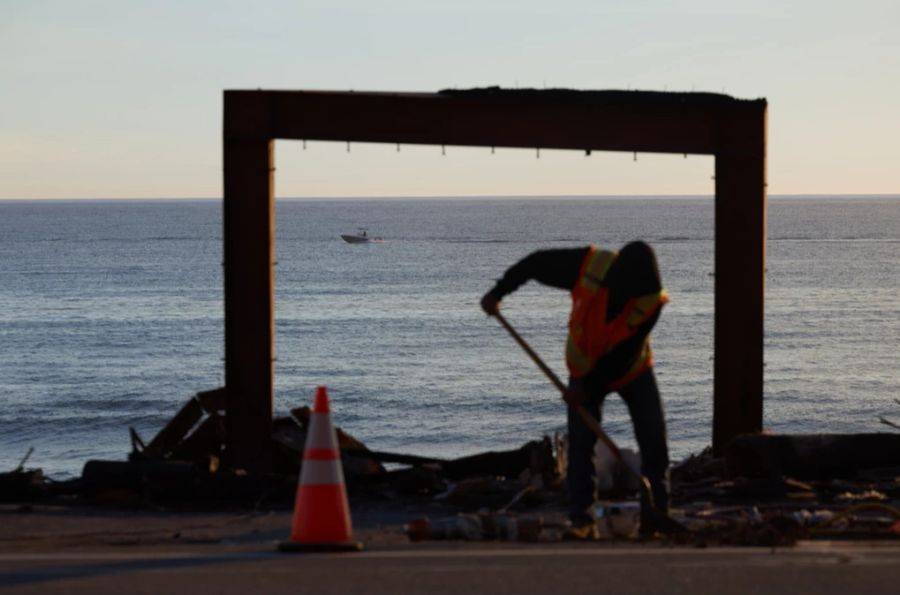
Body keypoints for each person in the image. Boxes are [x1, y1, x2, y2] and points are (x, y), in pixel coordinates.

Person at [480, 241, 670, 539]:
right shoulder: (590, 266)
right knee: (581, 446)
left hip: (633, 370)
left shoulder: (651, 300)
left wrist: (587, 388)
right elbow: (535, 262)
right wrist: (498, 292)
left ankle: (656, 516)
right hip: (582, 368)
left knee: (654, 440)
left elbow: (623, 355)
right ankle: (582, 520)